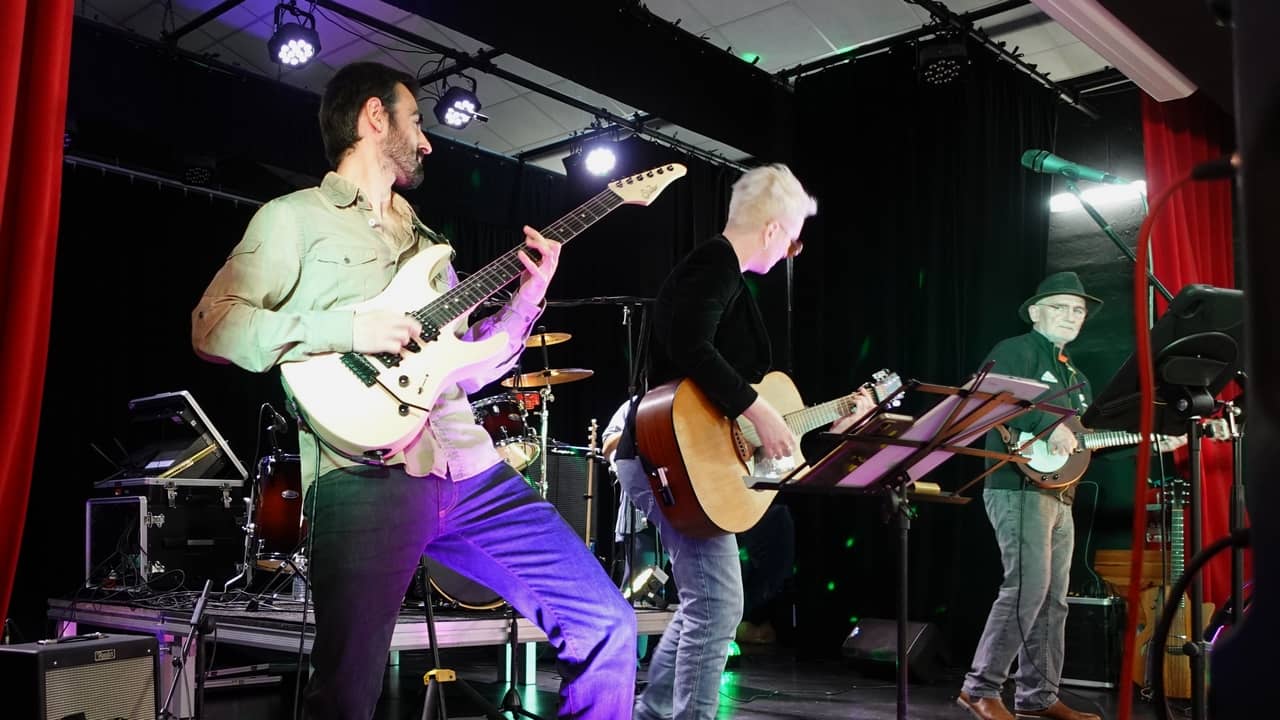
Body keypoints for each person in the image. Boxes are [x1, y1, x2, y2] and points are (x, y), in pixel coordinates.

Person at [191, 62, 635, 720]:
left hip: (469, 468)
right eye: (416, 122)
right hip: (362, 476)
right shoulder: (295, 219)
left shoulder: (431, 246)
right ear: (375, 118)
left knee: (608, 624)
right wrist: (351, 327)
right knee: (344, 696)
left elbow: (465, 371)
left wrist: (527, 302)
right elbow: (214, 326)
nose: (427, 142)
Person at [613, 164, 876, 719]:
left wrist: (805, 417)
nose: (789, 253)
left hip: (676, 457)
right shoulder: (715, 266)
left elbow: (727, 387)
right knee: (719, 603)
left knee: (704, 602)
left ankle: (655, 712)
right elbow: (687, 343)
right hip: (666, 456)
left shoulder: (720, 272)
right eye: (794, 238)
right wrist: (756, 406)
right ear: (777, 230)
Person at [957, 271, 1104, 720]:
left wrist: (1152, 440)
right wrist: (1047, 426)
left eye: (1078, 310)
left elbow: (1084, 442)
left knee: (1055, 597)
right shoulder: (1015, 350)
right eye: (1060, 307)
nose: (1071, 316)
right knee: (1028, 588)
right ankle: (979, 688)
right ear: (1036, 312)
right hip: (1017, 487)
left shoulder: (1076, 377)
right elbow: (981, 398)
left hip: (1061, 495)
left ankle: (1038, 696)